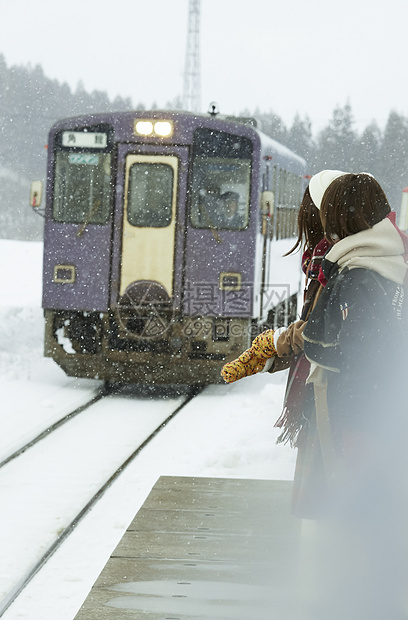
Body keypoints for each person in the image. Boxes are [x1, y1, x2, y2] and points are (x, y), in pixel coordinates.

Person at [302, 172, 408, 618]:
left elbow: (330, 345)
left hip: (359, 416)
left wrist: (306, 335)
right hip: (385, 410)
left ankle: (356, 601)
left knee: (357, 514)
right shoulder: (392, 260)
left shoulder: (358, 274)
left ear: (342, 218)